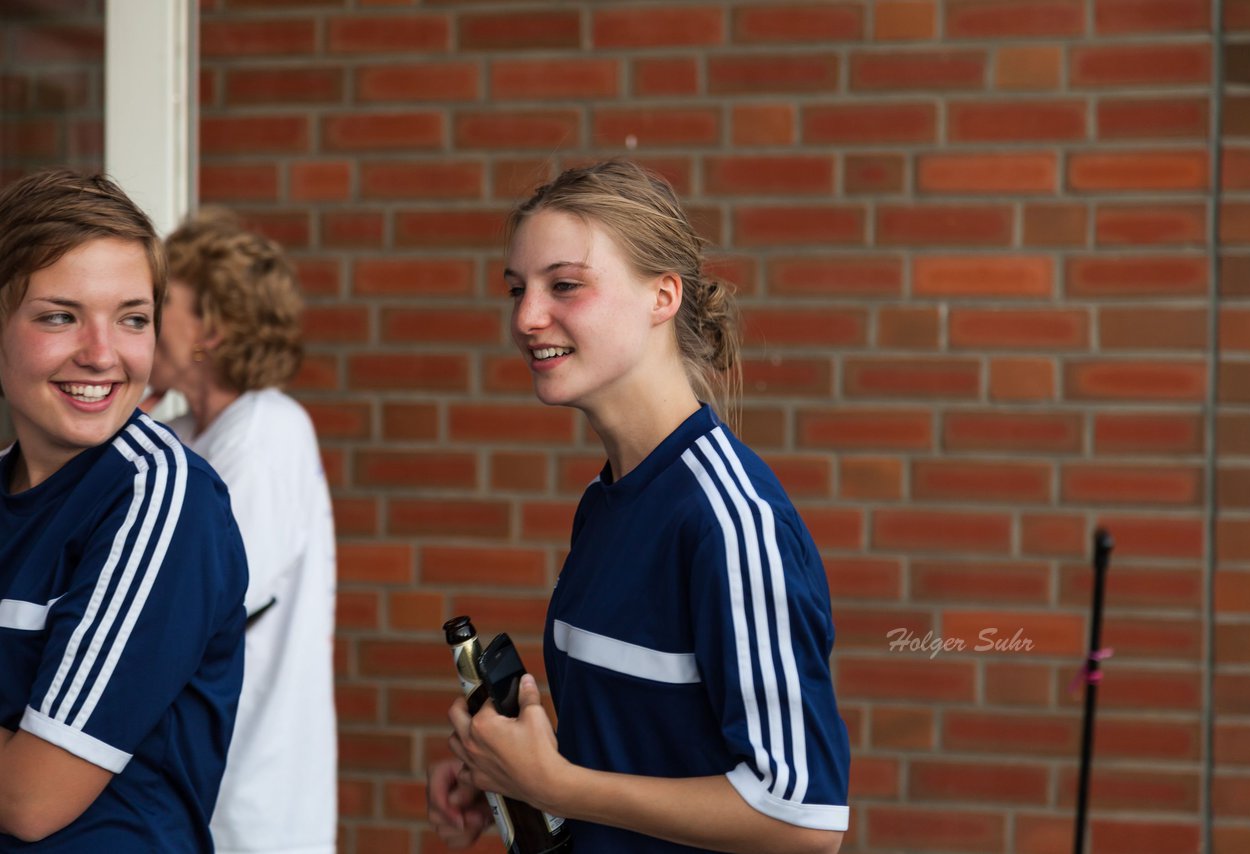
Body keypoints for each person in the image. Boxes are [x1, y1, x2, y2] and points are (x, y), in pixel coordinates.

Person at [427, 160, 850, 853]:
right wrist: (510, 776)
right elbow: (652, 745)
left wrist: (558, 788)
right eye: (517, 289)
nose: (527, 317)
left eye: (564, 285)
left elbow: (803, 818)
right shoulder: (606, 500)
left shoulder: (730, 523)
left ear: (663, 295)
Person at [0, 169, 248, 850]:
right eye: (60, 316)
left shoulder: (160, 498)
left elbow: (30, 798)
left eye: (132, 319)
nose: (102, 355)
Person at [148, 211, 337, 854]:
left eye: (160, 300)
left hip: (250, 807)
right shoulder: (179, 434)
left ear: (213, 329)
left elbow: (179, 610)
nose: (138, 316)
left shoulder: (266, 436)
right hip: (194, 791)